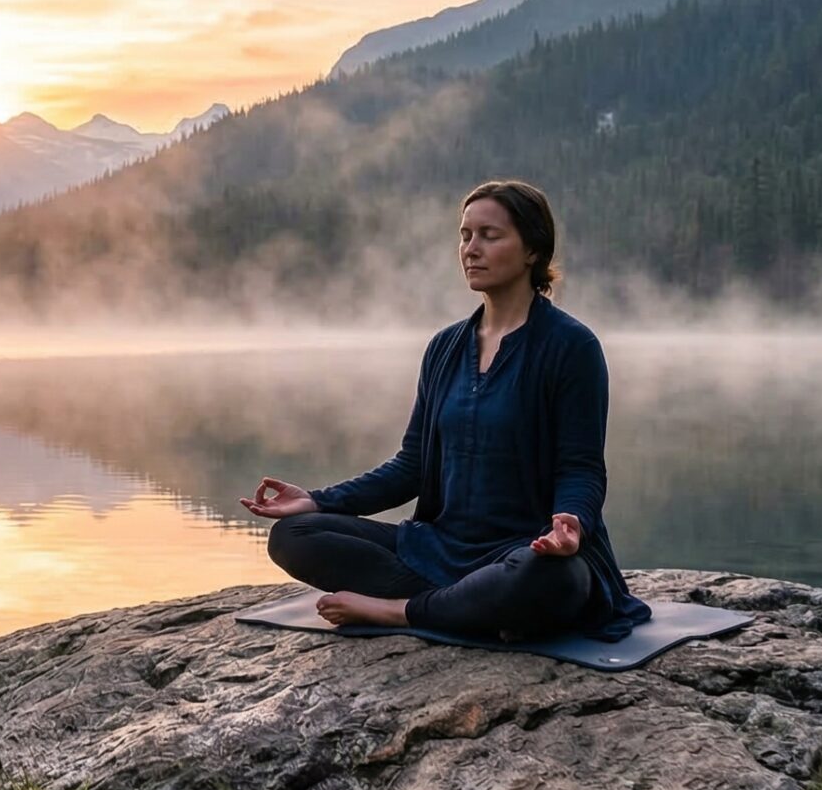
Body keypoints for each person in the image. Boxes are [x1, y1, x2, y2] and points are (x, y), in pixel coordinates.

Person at [239, 179, 651, 643]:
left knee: (554, 578)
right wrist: (318, 499)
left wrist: (572, 522)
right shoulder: (444, 348)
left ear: (533, 249)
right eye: (464, 235)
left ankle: (400, 610)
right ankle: (467, 604)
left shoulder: (571, 347)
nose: (471, 249)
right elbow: (410, 466)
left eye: (489, 236)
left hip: (525, 549)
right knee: (294, 535)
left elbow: (582, 468)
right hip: (438, 547)